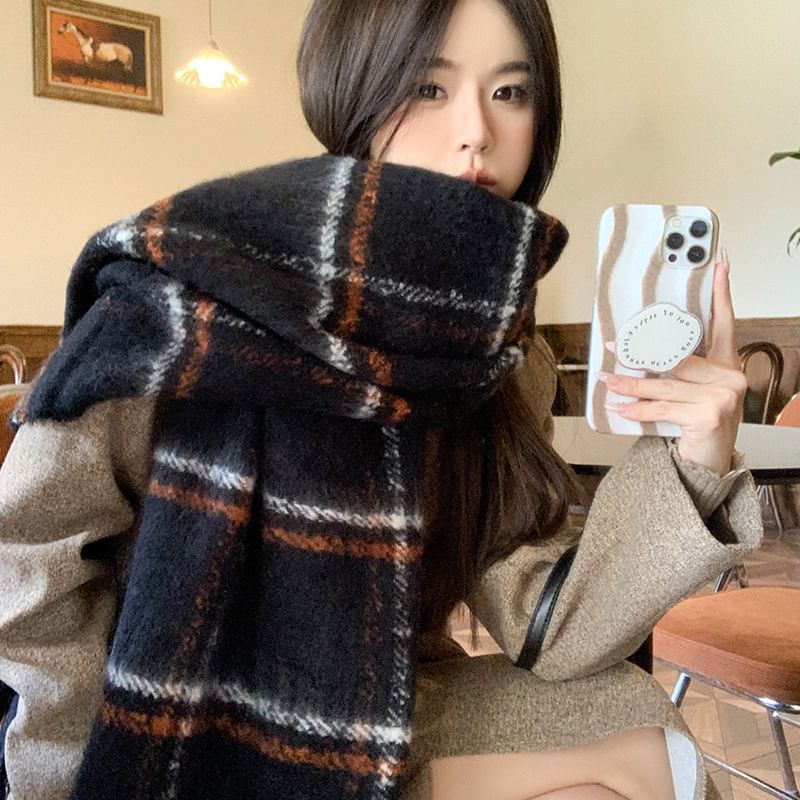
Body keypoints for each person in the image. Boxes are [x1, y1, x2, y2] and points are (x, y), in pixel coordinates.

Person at [0, 0, 762, 798]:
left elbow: (551, 623)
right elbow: (30, 562)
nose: (476, 132)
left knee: (641, 729)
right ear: (351, 93)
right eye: (428, 88)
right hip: (173, 723)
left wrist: (694, 460)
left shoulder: (499, 354)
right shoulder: (180, 299)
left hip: (384, 706)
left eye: (510, 92)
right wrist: (69, 778)